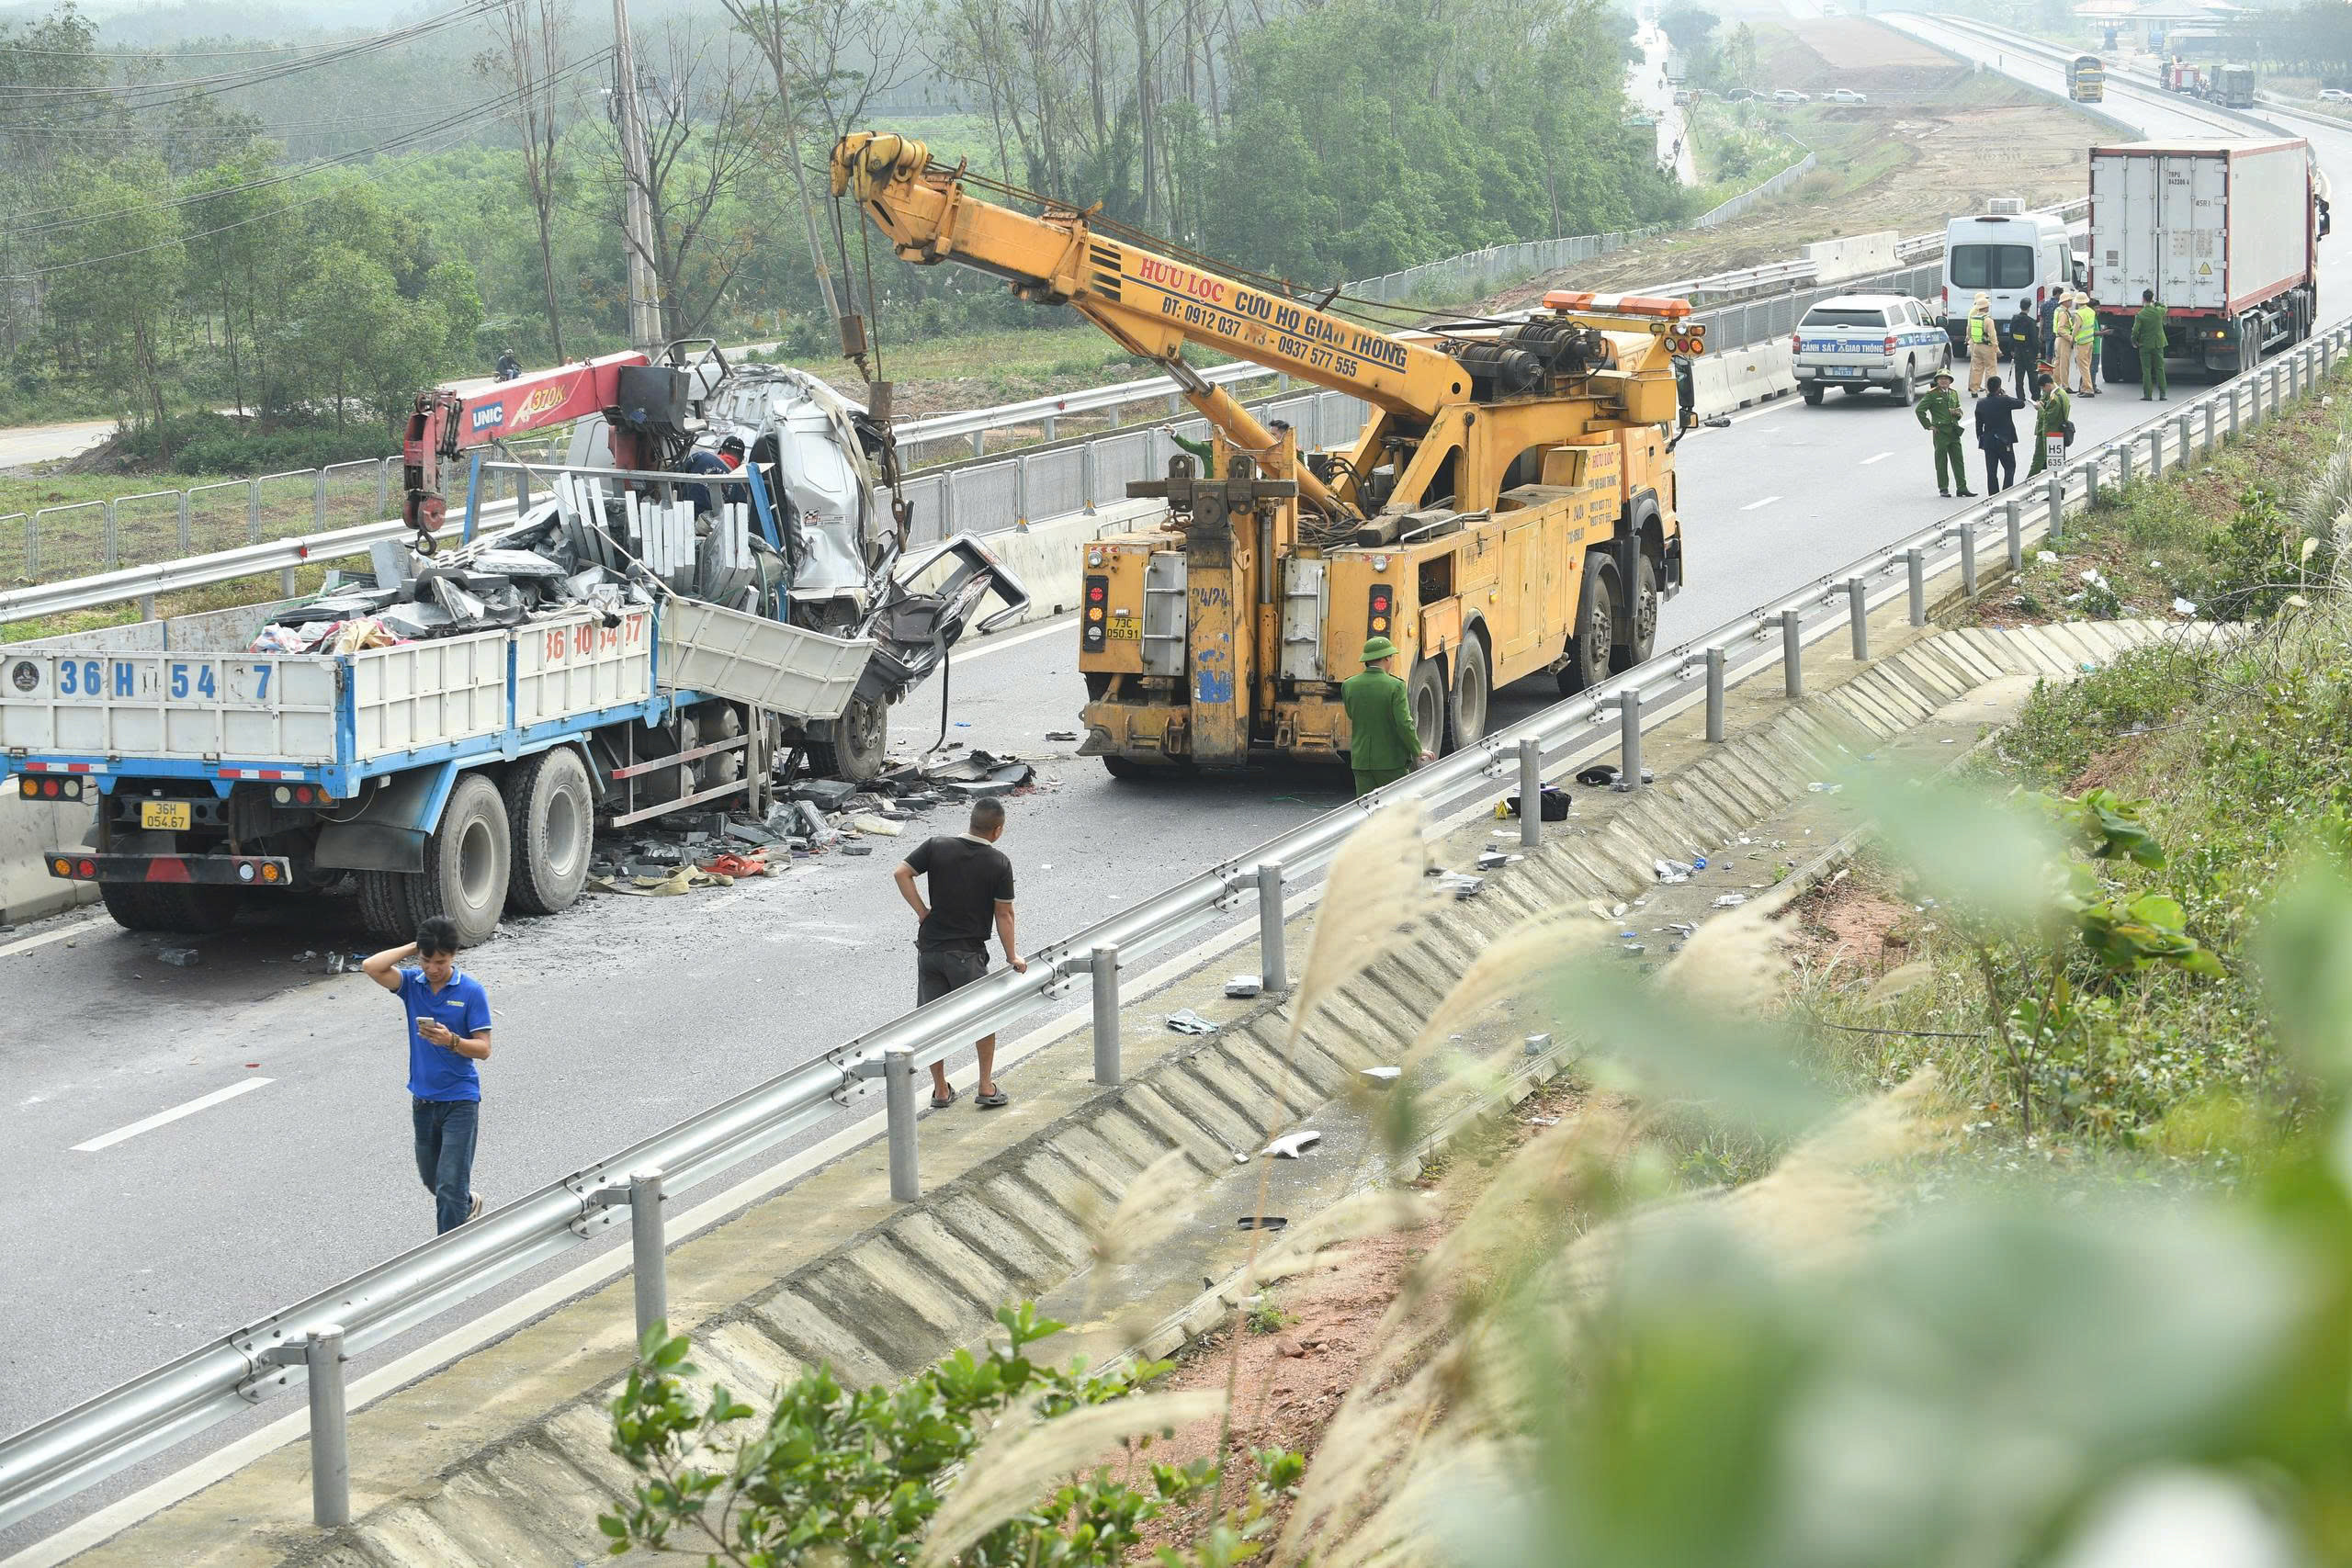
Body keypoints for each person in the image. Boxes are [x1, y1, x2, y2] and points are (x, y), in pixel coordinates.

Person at [361, 917, 492, 1236]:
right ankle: (466, 1203)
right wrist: (414, 946)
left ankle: (448, 1256)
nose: (432, 969)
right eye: (426, 960)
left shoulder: (471, 992)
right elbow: (371, 966)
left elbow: (484, 1049)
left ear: (454, 956)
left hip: (460, 1101)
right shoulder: (412, 985)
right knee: (433, 1181)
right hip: (423, 1101)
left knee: (449, 1185)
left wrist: (451, 1040)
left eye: (440, 962)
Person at [893, 798, 1027, 1111]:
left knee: (932, 1021)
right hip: (966, 955)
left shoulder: (936, 846)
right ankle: (986, 1086)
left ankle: (941, 1090)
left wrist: (922, 911)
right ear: (997, 830)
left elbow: (901, 873)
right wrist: (1013, 956)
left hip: (930, 950)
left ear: (971, 821)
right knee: (982, 1017)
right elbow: (1004, 914)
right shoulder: (998, 863)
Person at [1340, 635, 1434, 796]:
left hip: (1361, 762)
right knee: (1398, 807)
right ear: (1386, 659)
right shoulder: (1395, 686)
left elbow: (1351, 714)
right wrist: (1417, 749)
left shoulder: (1349, 685)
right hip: (1391, 762)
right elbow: (1404, 723)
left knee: (1367, 808)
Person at [1916, 369, 1973, 499]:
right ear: (1937, 381)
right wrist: (1929, 425)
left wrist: (1957, 413)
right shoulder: (1932, 394)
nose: (1943, 381)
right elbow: (1919, 410)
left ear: (1950, 381)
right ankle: (1943, 488)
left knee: (1958, 460)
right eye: (1941, 379)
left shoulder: (1953, 393)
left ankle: (1962, 488)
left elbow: (1959, 409)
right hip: (1940, 432)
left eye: (1946, 379)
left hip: (1954, 431)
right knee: (1941, 461)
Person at [1974, 374, 2029, 493]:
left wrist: (1981, 440)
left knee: (1991, 471)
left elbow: (1978, 425)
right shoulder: (2004, 400)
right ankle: (2006, 492)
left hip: (1989, 441)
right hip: (2004, 440)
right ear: (1999, 387)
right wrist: (2005, 396)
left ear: (1987, 388)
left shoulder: (1981, 403)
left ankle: (1993, 495)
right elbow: (2021, 404)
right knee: (2010, 467)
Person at [679, 434, 745, 514]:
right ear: (742, 459)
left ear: (722, 451)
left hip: (684, 513)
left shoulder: (702, 456)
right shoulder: (740, 484)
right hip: (713, 521)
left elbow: (679, 474)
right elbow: (740, 512)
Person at [2028, 373, 2073, 478]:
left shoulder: (2054, 399)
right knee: (2055, 464)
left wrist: (2040, 408)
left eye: (2043, 388)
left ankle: (2030, 482)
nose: (2043, 391)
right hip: (2057, 434)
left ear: (2048, 385)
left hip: (2051, 434)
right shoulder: (2061, 393)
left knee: (2042, 461)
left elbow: (2049, 418)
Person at [2133, 288, 2169, 400]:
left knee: (2146, 370)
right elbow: (2165, 307)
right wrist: (2156, 302)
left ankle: (2148, 395)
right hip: (2158, 343)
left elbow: (2135, 331)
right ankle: (2162, 394)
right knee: (2160, 368)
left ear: (2143, 299)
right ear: (2151, 299)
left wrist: (2134, 341)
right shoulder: (2158, 312)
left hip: (2145, 344)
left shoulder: (2140, 314)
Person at [1965, 293, 1997, 397]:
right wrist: (1996, 348)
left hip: (1976, 346)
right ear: (1986, 307)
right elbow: (1992, 335)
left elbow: (1969, 330)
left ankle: (1974, 390)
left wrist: (1968, 338)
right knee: (1990, 369)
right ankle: (1990, 390)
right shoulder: (1988, 320)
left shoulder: (1973, 318)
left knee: (1976, 368)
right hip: (1987, 347)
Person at [2004, 301, 2041, 383]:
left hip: (2018, 350)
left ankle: (2019, 392)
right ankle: (2034, 392)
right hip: (2029, 352)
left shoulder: (2014, 319)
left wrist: (2012, 349)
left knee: (2019, 376)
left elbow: (2011, 335)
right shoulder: (2031, 321)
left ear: (2020, 306)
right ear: (2028, 308)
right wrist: (2038, 351)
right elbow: (2034, 339)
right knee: (2032, 376)